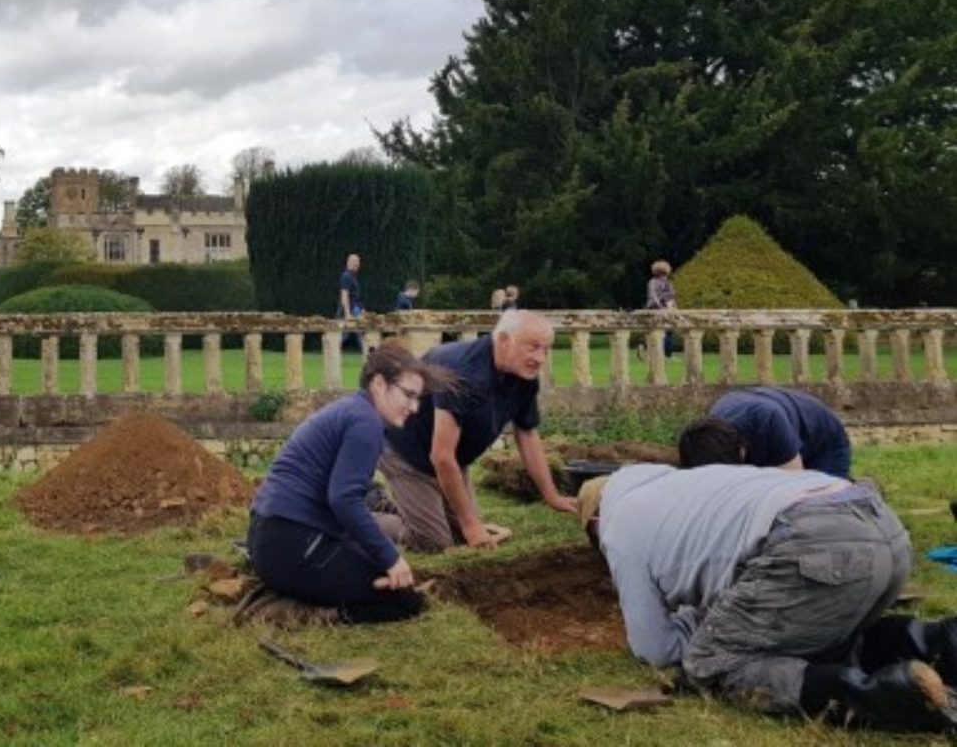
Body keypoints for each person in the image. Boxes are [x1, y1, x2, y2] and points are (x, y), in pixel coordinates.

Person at [578, 465, 957, 731]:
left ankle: (882, 696)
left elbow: (655, 648)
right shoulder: (686, 485)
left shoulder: (617, 526)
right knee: (814, 632)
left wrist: (703, 622)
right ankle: (941, 641)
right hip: (881, 524)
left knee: (710, 660)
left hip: (813, 545)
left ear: (596, 522)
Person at [246, 341, 454, 624]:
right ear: (379, 383)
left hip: (272, 537)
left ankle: (299, 591)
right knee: (405, 600)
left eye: (418, 398)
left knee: (383, 573)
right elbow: (343, 499)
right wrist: (391, 559)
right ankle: (300, 614)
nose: (415, 407)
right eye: (409, 395)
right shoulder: (365, 423)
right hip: (290, 544)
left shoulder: (353, 410)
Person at [378, 309, 576, 550]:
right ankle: (368, 516)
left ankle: (408, 506)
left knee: (462, 534)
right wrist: (471, 526)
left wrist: (551, 495)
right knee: (434, 542)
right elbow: (441, 456)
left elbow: (527, 434)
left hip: (452, 460)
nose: (541, 358)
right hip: (404, 452)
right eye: (533, 347)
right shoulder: (462, 373)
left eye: (546, 349)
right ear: (504, 340)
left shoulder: (524, 376)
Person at [679, 387, 853, 479]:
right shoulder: (705, 439)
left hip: (824, 441)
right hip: (779, 427)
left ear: (741, 450)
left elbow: (794, 483)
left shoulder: (768, 419)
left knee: (822, 507)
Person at [644, 259, 678, 358]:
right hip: (658, 309)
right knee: (665, 331)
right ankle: (666, 353)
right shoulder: (661, 282)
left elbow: (669, 296)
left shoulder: (654, 282)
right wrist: (665, 308)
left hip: (658, 309)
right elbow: (657, 297)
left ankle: (651, 350)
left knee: (659, 331)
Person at [336, 253, 364, 352]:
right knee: (342, 335)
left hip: (355, 309)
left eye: (357, 262)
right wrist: (347, 313)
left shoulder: (352, 276)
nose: (356, 264)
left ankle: (368, 354)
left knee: (360, 333)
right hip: (350, 309)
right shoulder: (346, 276)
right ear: (348, 262)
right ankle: (332, 350)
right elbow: (344, 295)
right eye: (353, 262)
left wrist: (362, 309)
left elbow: (356, 296)